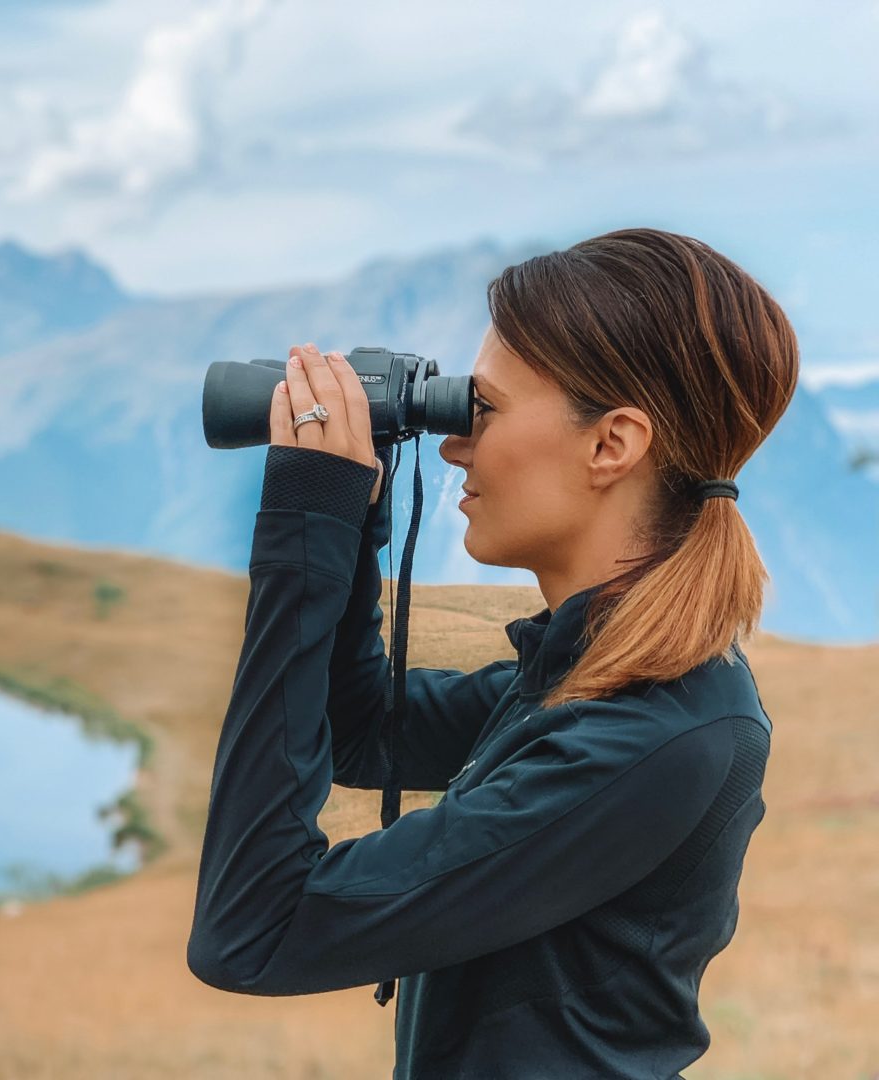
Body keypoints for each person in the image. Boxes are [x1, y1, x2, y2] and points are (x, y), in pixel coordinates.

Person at [186, 227, 798, 1079]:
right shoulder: (592, 679)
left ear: (611, 444)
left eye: (485, 408)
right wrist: (349, 518)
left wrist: (302, 524)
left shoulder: (647, 738)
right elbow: (362, 727)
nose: (452, 442)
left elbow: (250, 931)